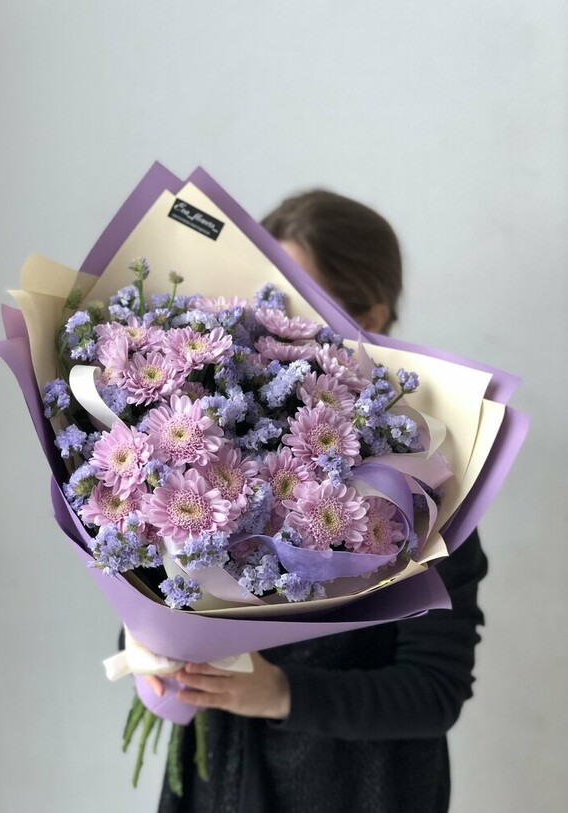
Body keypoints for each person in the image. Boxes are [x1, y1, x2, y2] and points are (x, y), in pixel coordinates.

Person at [149, 190, 488, 813]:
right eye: (263, 292)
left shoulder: (424, 484)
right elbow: (161, 594)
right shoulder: (216, 439)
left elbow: (434, 690)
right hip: (214, 786)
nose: (272, 316)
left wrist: (281, 692)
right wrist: (153, 646)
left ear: (371, 316)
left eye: (298, 298)